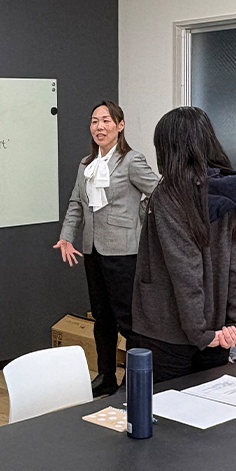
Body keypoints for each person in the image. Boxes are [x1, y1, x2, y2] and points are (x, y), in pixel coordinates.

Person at [132, 106, 236, 383]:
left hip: (169, 330)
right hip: (219, 330)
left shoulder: (169, 195)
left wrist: (199, 332)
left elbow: (185, 270)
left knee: (166, 405)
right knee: (210, 404)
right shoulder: (232, 191)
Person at [55, 101, 160, 396]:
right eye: (94, 121)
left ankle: (134, 379)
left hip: (124, 251)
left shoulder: (131, 161)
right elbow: (76, 202)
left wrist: (138, 218)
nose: (99, 127)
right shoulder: (86, 164)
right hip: (93, 250)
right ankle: (106, 376)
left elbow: (158, 193)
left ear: (120, 125)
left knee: (128, 319)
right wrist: (67, 236)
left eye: (106, 121)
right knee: (102, 318)